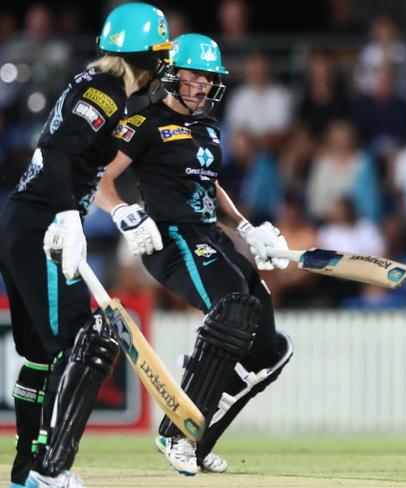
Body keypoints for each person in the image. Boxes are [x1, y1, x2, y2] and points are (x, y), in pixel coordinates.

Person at [95, 33, 293, 477]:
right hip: (170, 239)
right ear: (171, 74)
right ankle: (176, 433)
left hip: (210, 237)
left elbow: (208, 182)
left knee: (269, 350)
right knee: (231, 309)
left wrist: (245, 227)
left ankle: (198, 442)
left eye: (210, 78)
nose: (203, 86)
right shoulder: (143, 123)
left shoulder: (208, 126)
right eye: (196, 76)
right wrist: (123, 213)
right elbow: (101, 182)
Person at [0, 4, 171, 488]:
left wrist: (113, 211)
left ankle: (26, 475)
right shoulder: (104, 93)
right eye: (159, 55)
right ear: (146, 57)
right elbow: (56, 152)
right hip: (41, 228)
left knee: (43, 356)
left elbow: (73, 159)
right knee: (87, 339)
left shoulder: (100, 88)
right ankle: (49, 471)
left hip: (24, 221)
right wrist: (69, 219)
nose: (163, 66)